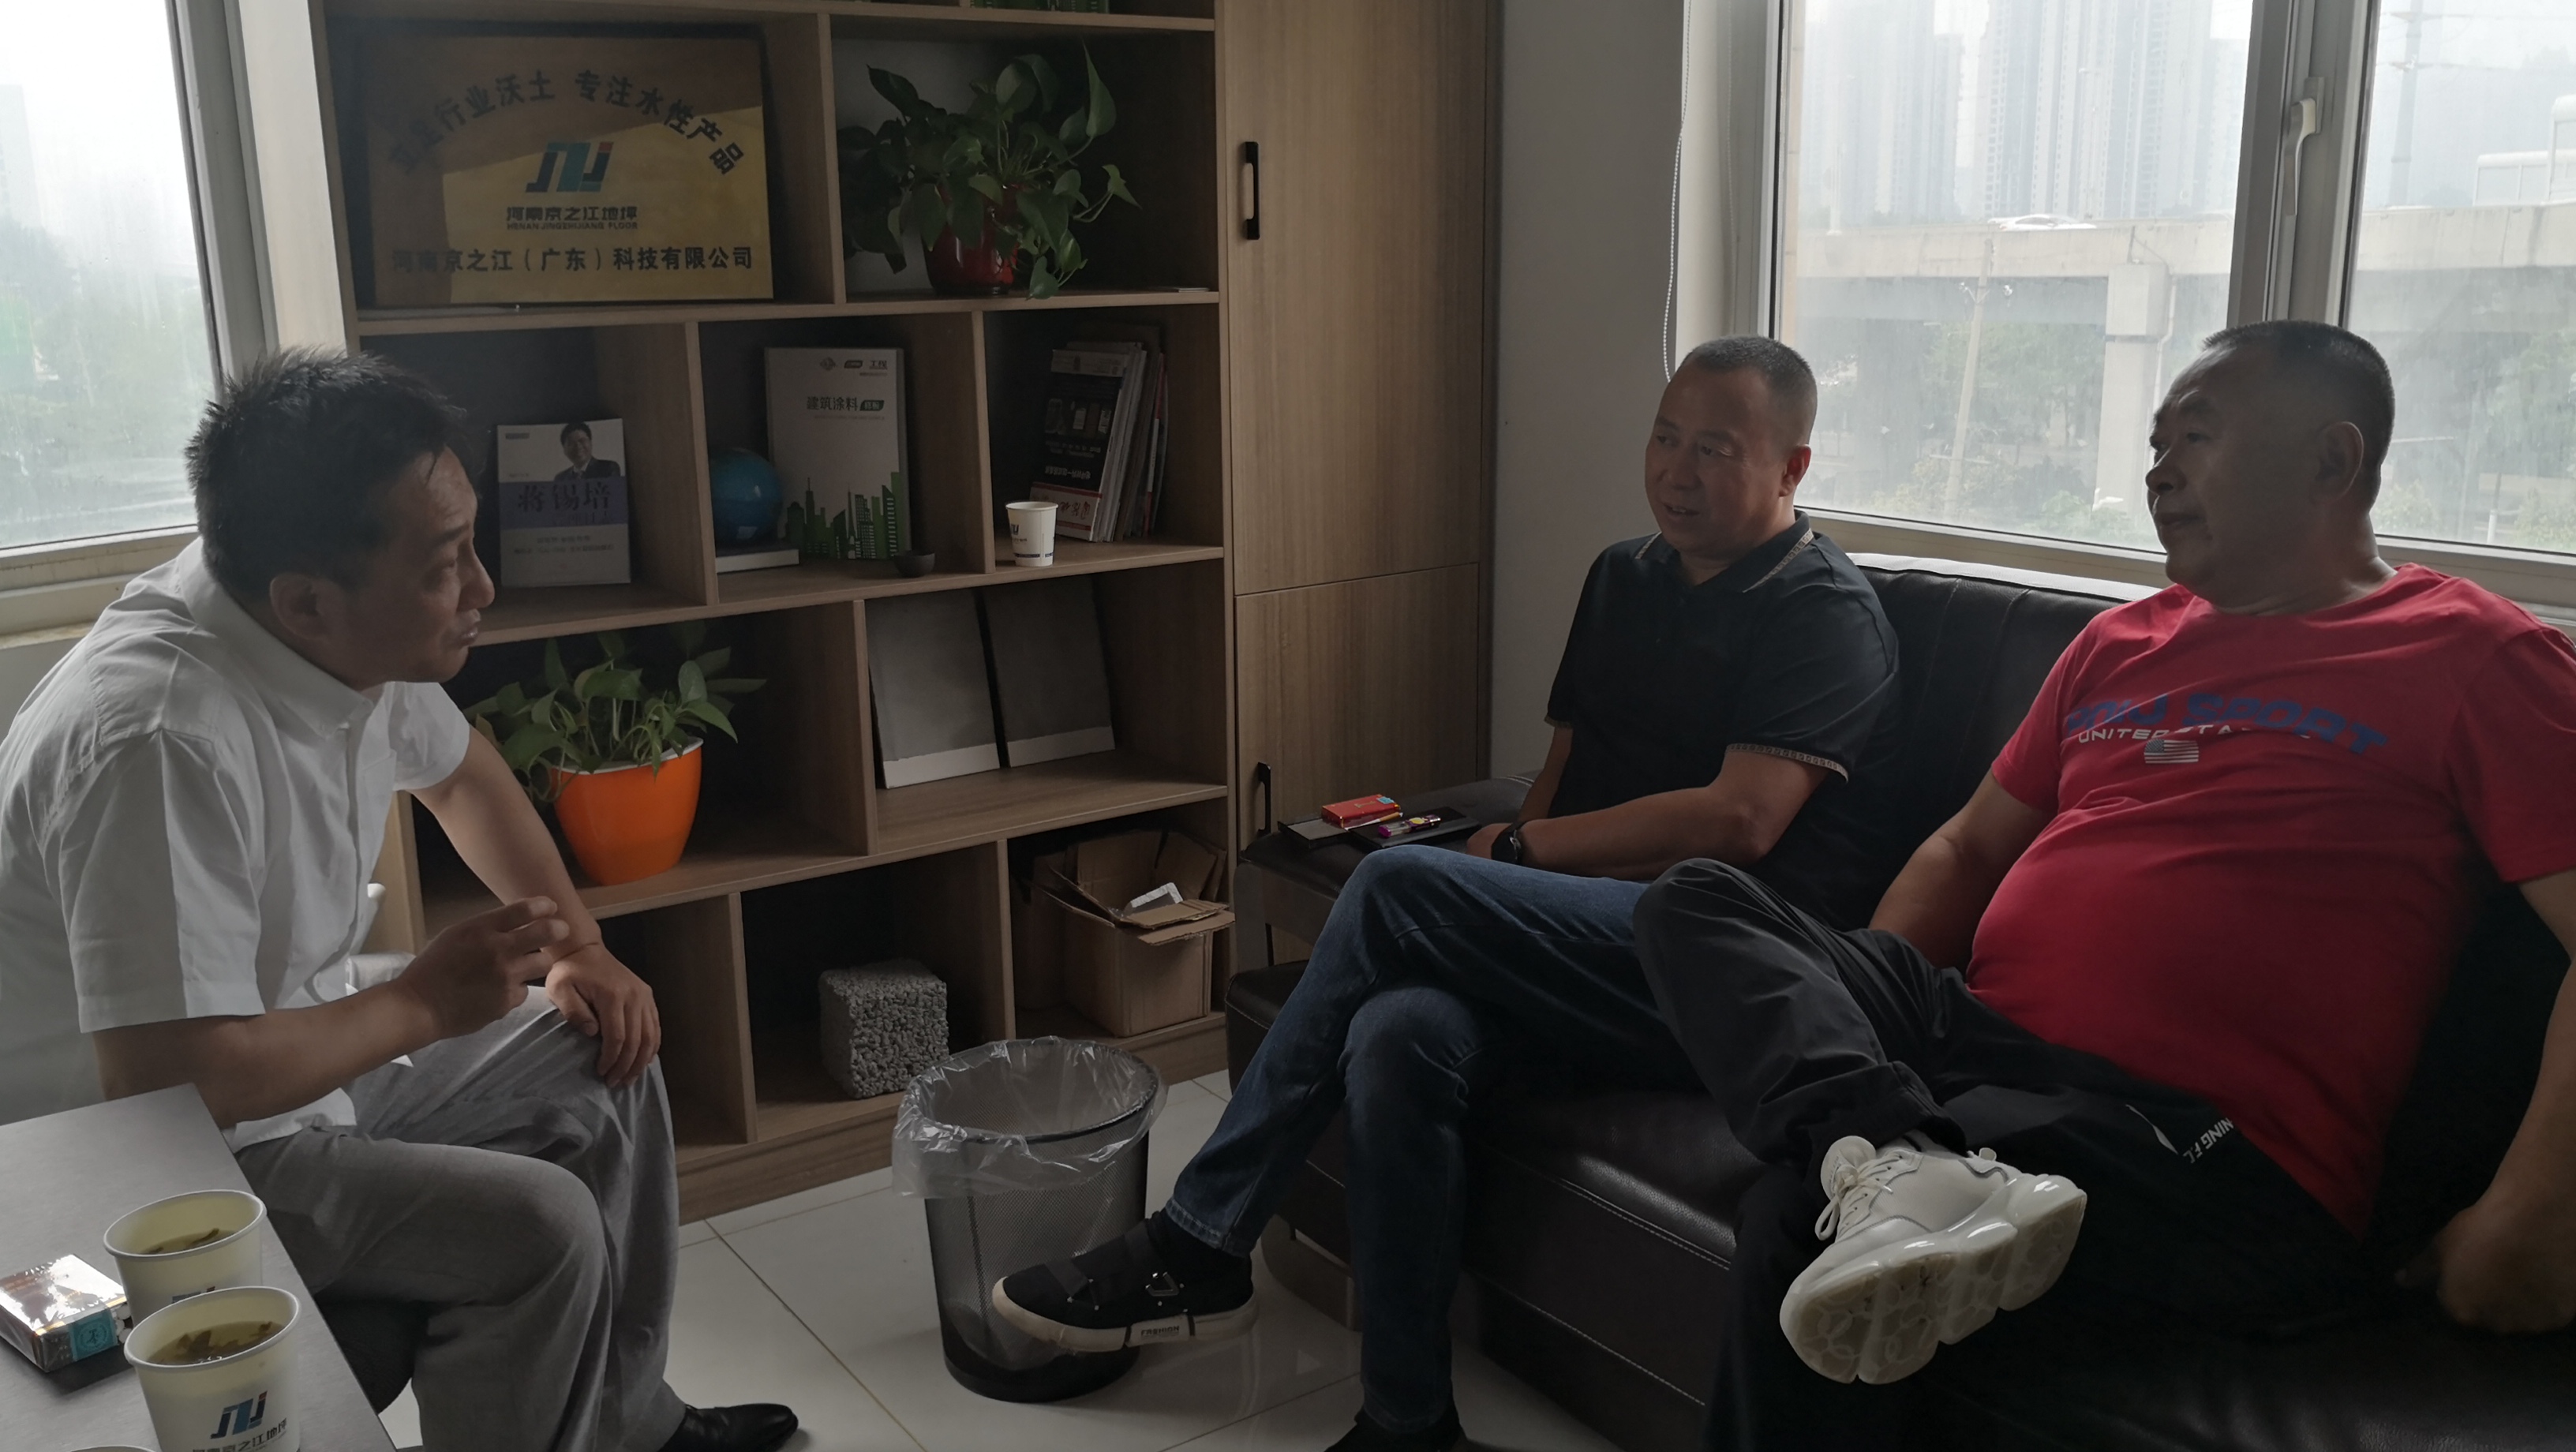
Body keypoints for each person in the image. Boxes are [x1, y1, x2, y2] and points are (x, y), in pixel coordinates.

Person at [1627, 320, 2576, 1450]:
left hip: (2203, 1139)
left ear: (2333, 460)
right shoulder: (2123, 642)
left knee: (1801, 1218)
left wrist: (2529, 1213)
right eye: (2154, 441)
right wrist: (1861, 1018)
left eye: (2196, 437)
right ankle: (1890, 1155)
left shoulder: (2475, 654)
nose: (2157, 469)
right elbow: (1967, 852)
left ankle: (1887, 1170)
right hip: (1986, 1046)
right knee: (1698, 900)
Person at [994, 337, 1912, 1452]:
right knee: (1397, 1032)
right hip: (1588, 946)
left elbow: (1740, 819)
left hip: (1727, 977)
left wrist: (1518, 855)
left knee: (1396, 885)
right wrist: (1504, 885)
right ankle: (1407, 1422)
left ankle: (1199, 1238)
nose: (1676, 471)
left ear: (1792, 467)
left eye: (1714, 449)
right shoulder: (1624, 577)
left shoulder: (1825, 612)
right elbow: (1567, 766)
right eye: (1664, 437)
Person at [0, 352, 796, 1452]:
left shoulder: (317, 624)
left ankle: (629, 1422)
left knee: (602, 1047)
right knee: (541, 1229)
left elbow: (461, 775)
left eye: (471, 545)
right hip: (140, 1171)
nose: (483, 588)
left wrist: (578, 947)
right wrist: (422, 1004)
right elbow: (174, 1079)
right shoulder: (160, 738)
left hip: (282, 1043)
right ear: (308, 602)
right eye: (446, 564)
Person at [557, 419, 623, 481]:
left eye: (582, 441)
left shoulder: (609, 468)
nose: (578, 446)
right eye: (571, 443)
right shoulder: (561, 478)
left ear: (591, 443)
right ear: (564, 450)